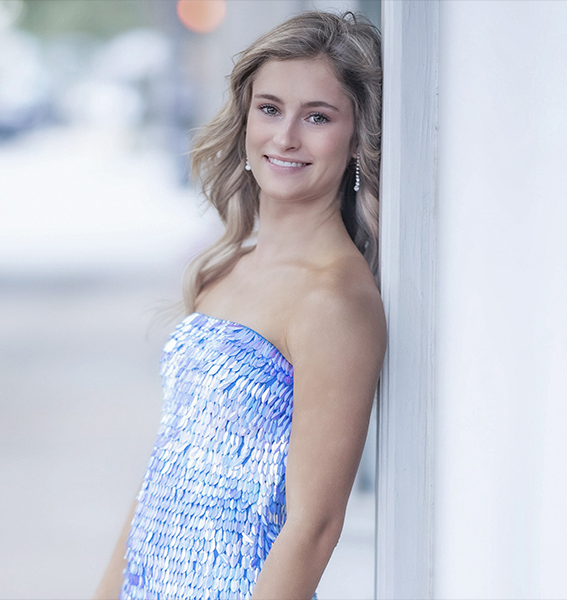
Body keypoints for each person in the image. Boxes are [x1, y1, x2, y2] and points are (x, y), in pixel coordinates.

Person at [95, 11, 385, 600]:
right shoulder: (224, 267)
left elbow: (314, 526)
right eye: (271, 108)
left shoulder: (334, 300)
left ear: (356, 139)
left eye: (318, 117)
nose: (285, 137)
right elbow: (166, 470)